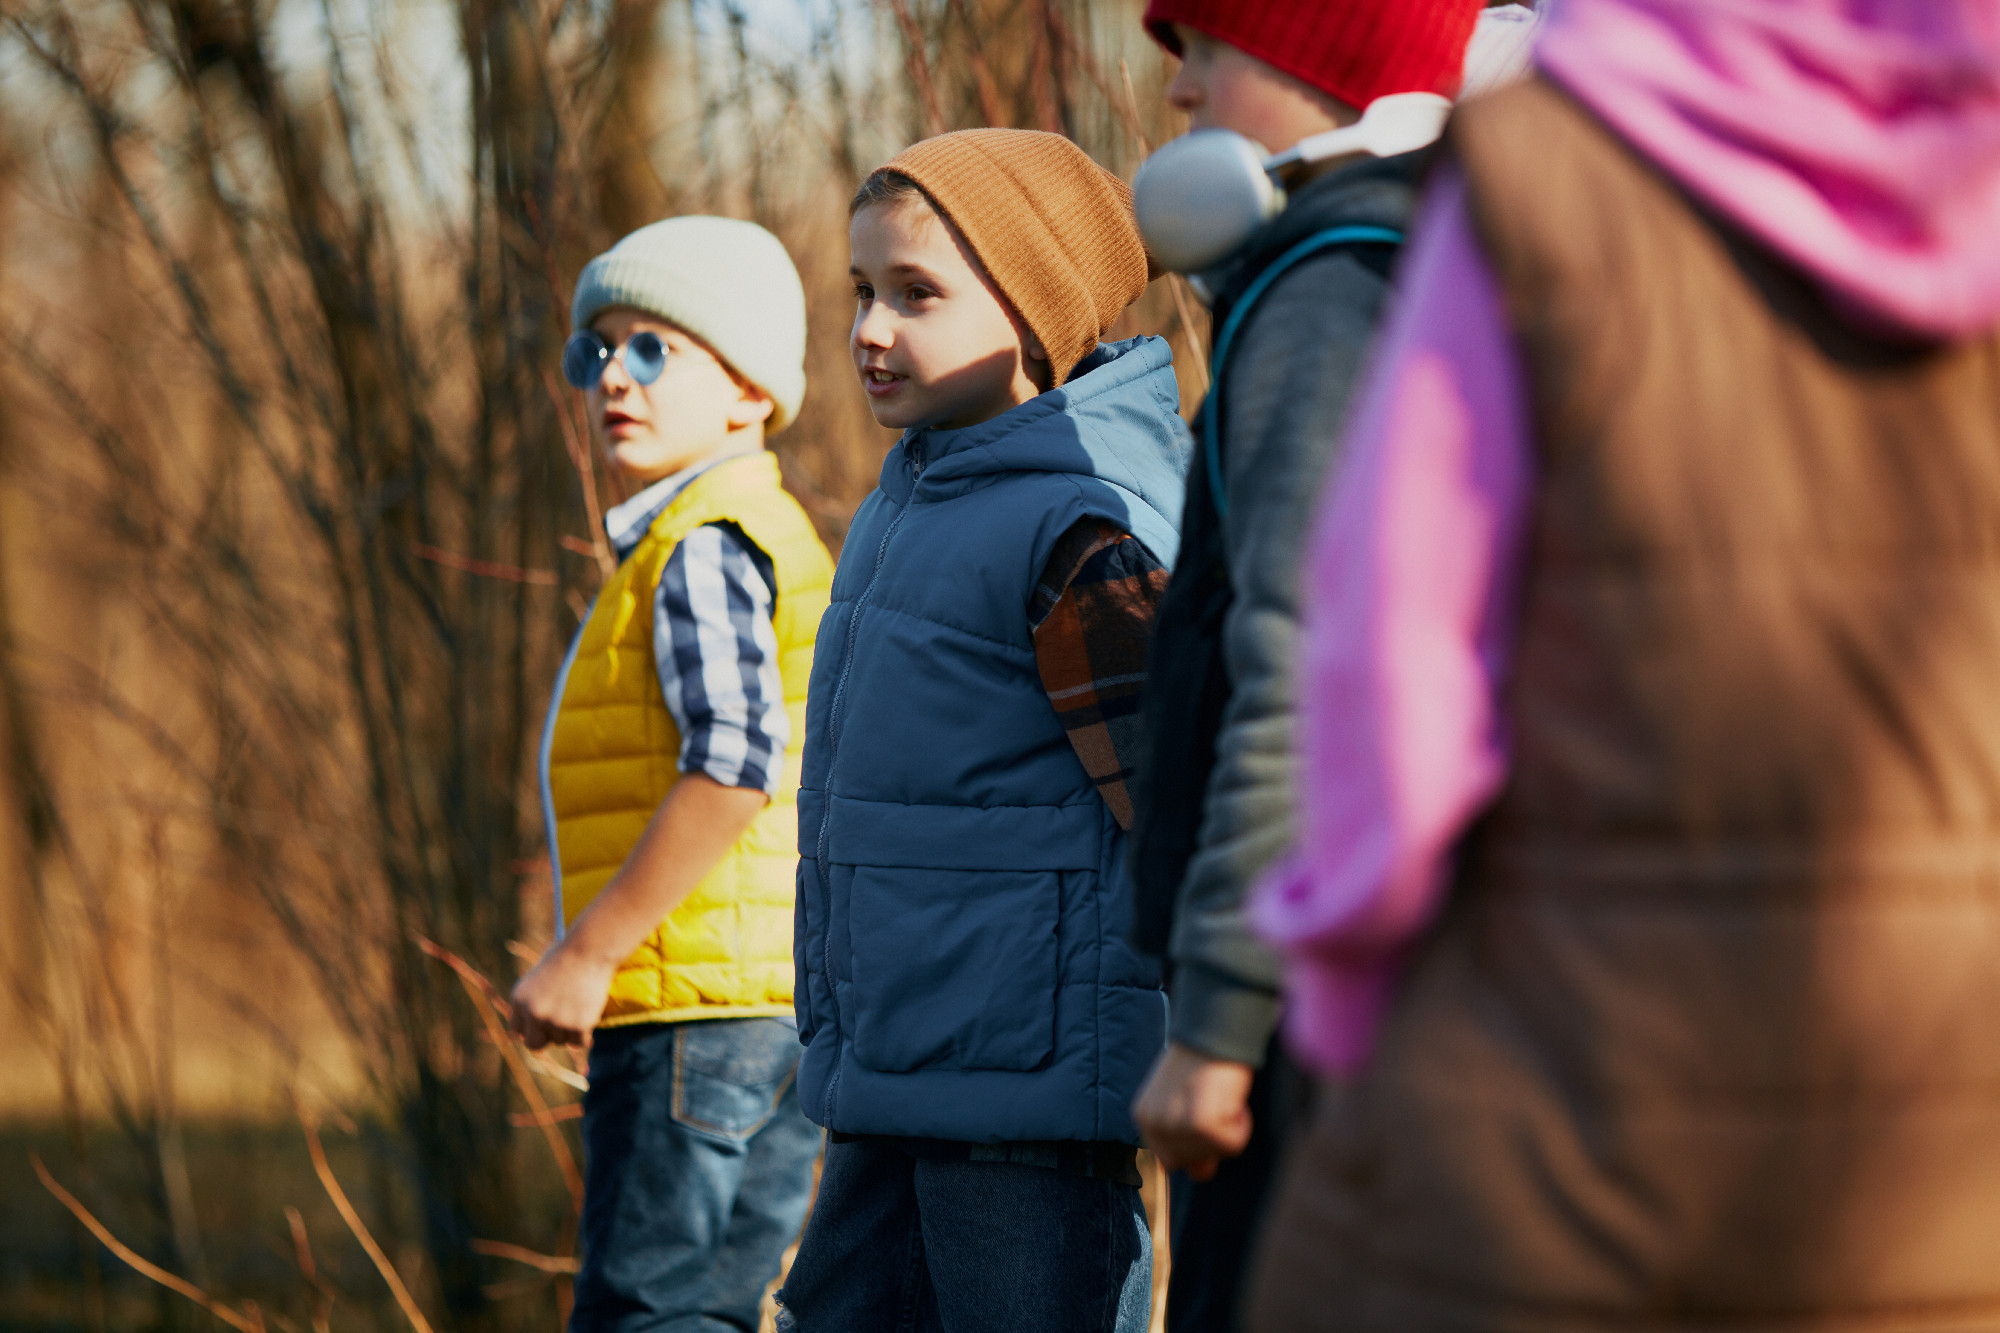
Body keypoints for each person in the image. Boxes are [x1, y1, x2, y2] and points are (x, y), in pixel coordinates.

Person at [1244, 0, 2000, 1327]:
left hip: (1554, 1123)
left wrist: (1346, 1003)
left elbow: (1391, 677)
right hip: (1948, 1147)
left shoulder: (1549, 172)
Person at [774, 129, 1190, 1333]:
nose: (869, 328)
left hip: (1027, 1106)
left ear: (1037, 309)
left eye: (915, 294)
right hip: (894, 1079)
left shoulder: (1080, 526)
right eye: (861, 290)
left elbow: (1176, 804)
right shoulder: (908, 497)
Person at [1122, 3, 1484, 1329]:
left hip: (1293, 1010)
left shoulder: (1327, 288)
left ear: (1318, 62)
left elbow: (1305, 660)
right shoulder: (1432, 252)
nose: (1180, 98)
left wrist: (1218, 1019)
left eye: (1204, 51)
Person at [509, 216, 834, 1333]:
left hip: (695, 1009)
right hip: (771, 1003)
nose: (612, 377)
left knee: (642, 1312)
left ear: (750, 391)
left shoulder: (703, 541)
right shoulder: (762, 527)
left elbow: (736, 762)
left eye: (654, 348)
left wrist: (588, 952)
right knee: (710, 1310)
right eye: (593, 351)